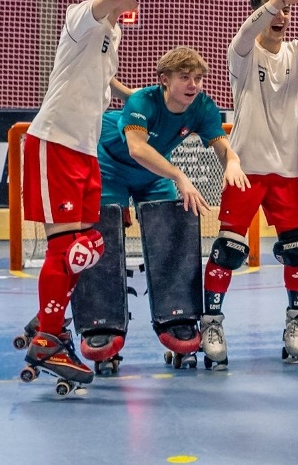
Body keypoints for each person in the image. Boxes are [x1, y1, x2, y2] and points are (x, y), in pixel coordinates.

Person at [18, 0, 193, 388]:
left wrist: (130, 92)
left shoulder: (110, 34)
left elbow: (101, 77)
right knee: (66, 248)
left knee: (91, 246)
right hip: (54, 142)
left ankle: (46, 315)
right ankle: (49, 339)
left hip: (82, 151)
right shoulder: (82, 16)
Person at [199, 0, 298, 369]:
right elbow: (247, 30)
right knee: (227, 251)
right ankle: (211, 323)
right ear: (260, 13)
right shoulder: (242, 54)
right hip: (244, 170)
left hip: (286, 170)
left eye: (286, 11)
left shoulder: (296, 53)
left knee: (297, 252)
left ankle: (296, 319)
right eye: (274, 10)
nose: (281, 16)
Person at [89, 46, 247, 364]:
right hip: (111, 166)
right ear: (164, 80)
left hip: (152, 173)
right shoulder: (141, 102)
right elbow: (136, 149)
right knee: (103, 235)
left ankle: (178, 319)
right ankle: (102, 325)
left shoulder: (202, 105)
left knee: (172, 228)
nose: (194, 85)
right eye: (185, 78)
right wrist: (179, 176)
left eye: (199, 78)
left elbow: (221, 144)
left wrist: (231, 161)